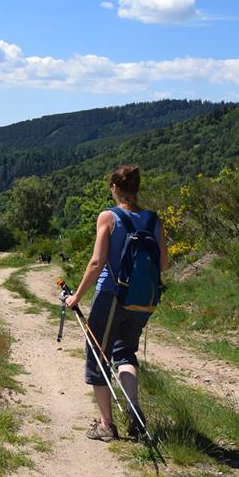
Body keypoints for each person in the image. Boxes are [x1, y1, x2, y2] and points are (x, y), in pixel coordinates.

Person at [65, 165, 169, 441]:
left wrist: (76, 296)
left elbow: (97, 262)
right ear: (137, 188)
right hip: (144, 302)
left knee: (98, 356)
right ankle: (134, 415)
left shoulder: (109, 217)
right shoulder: (153, 220)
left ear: (114, 188)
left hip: (112, 298)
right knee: (125, 354)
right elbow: (165, 264)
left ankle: (106, 425)